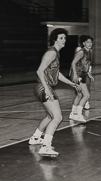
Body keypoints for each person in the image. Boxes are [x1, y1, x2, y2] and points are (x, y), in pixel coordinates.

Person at [29, 28, 81, 157]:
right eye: (61, 38)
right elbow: (39, 71)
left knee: (50, 116)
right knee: (58, 117)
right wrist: (47, 88)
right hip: (43, 87)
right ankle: (46, 147)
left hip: (43, 87)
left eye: (65, 38)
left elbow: (56, 74)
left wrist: (71, 83)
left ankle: (36, 138)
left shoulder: (56, 53)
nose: (64, 40)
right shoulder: (51, 53)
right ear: (55, 40)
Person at [69, 35, 94, 122]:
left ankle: (73, 113)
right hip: (78, 74)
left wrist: (88, 73)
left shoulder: (89, 51)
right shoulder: (81, 52)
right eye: (87, 42)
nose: (90, 44)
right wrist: (75, 75)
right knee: (86, 95)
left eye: (91, 42)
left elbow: (86, 64)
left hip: (82, 74)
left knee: (79, 95)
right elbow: (73, 63)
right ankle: (79, 114)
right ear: (84, 43)